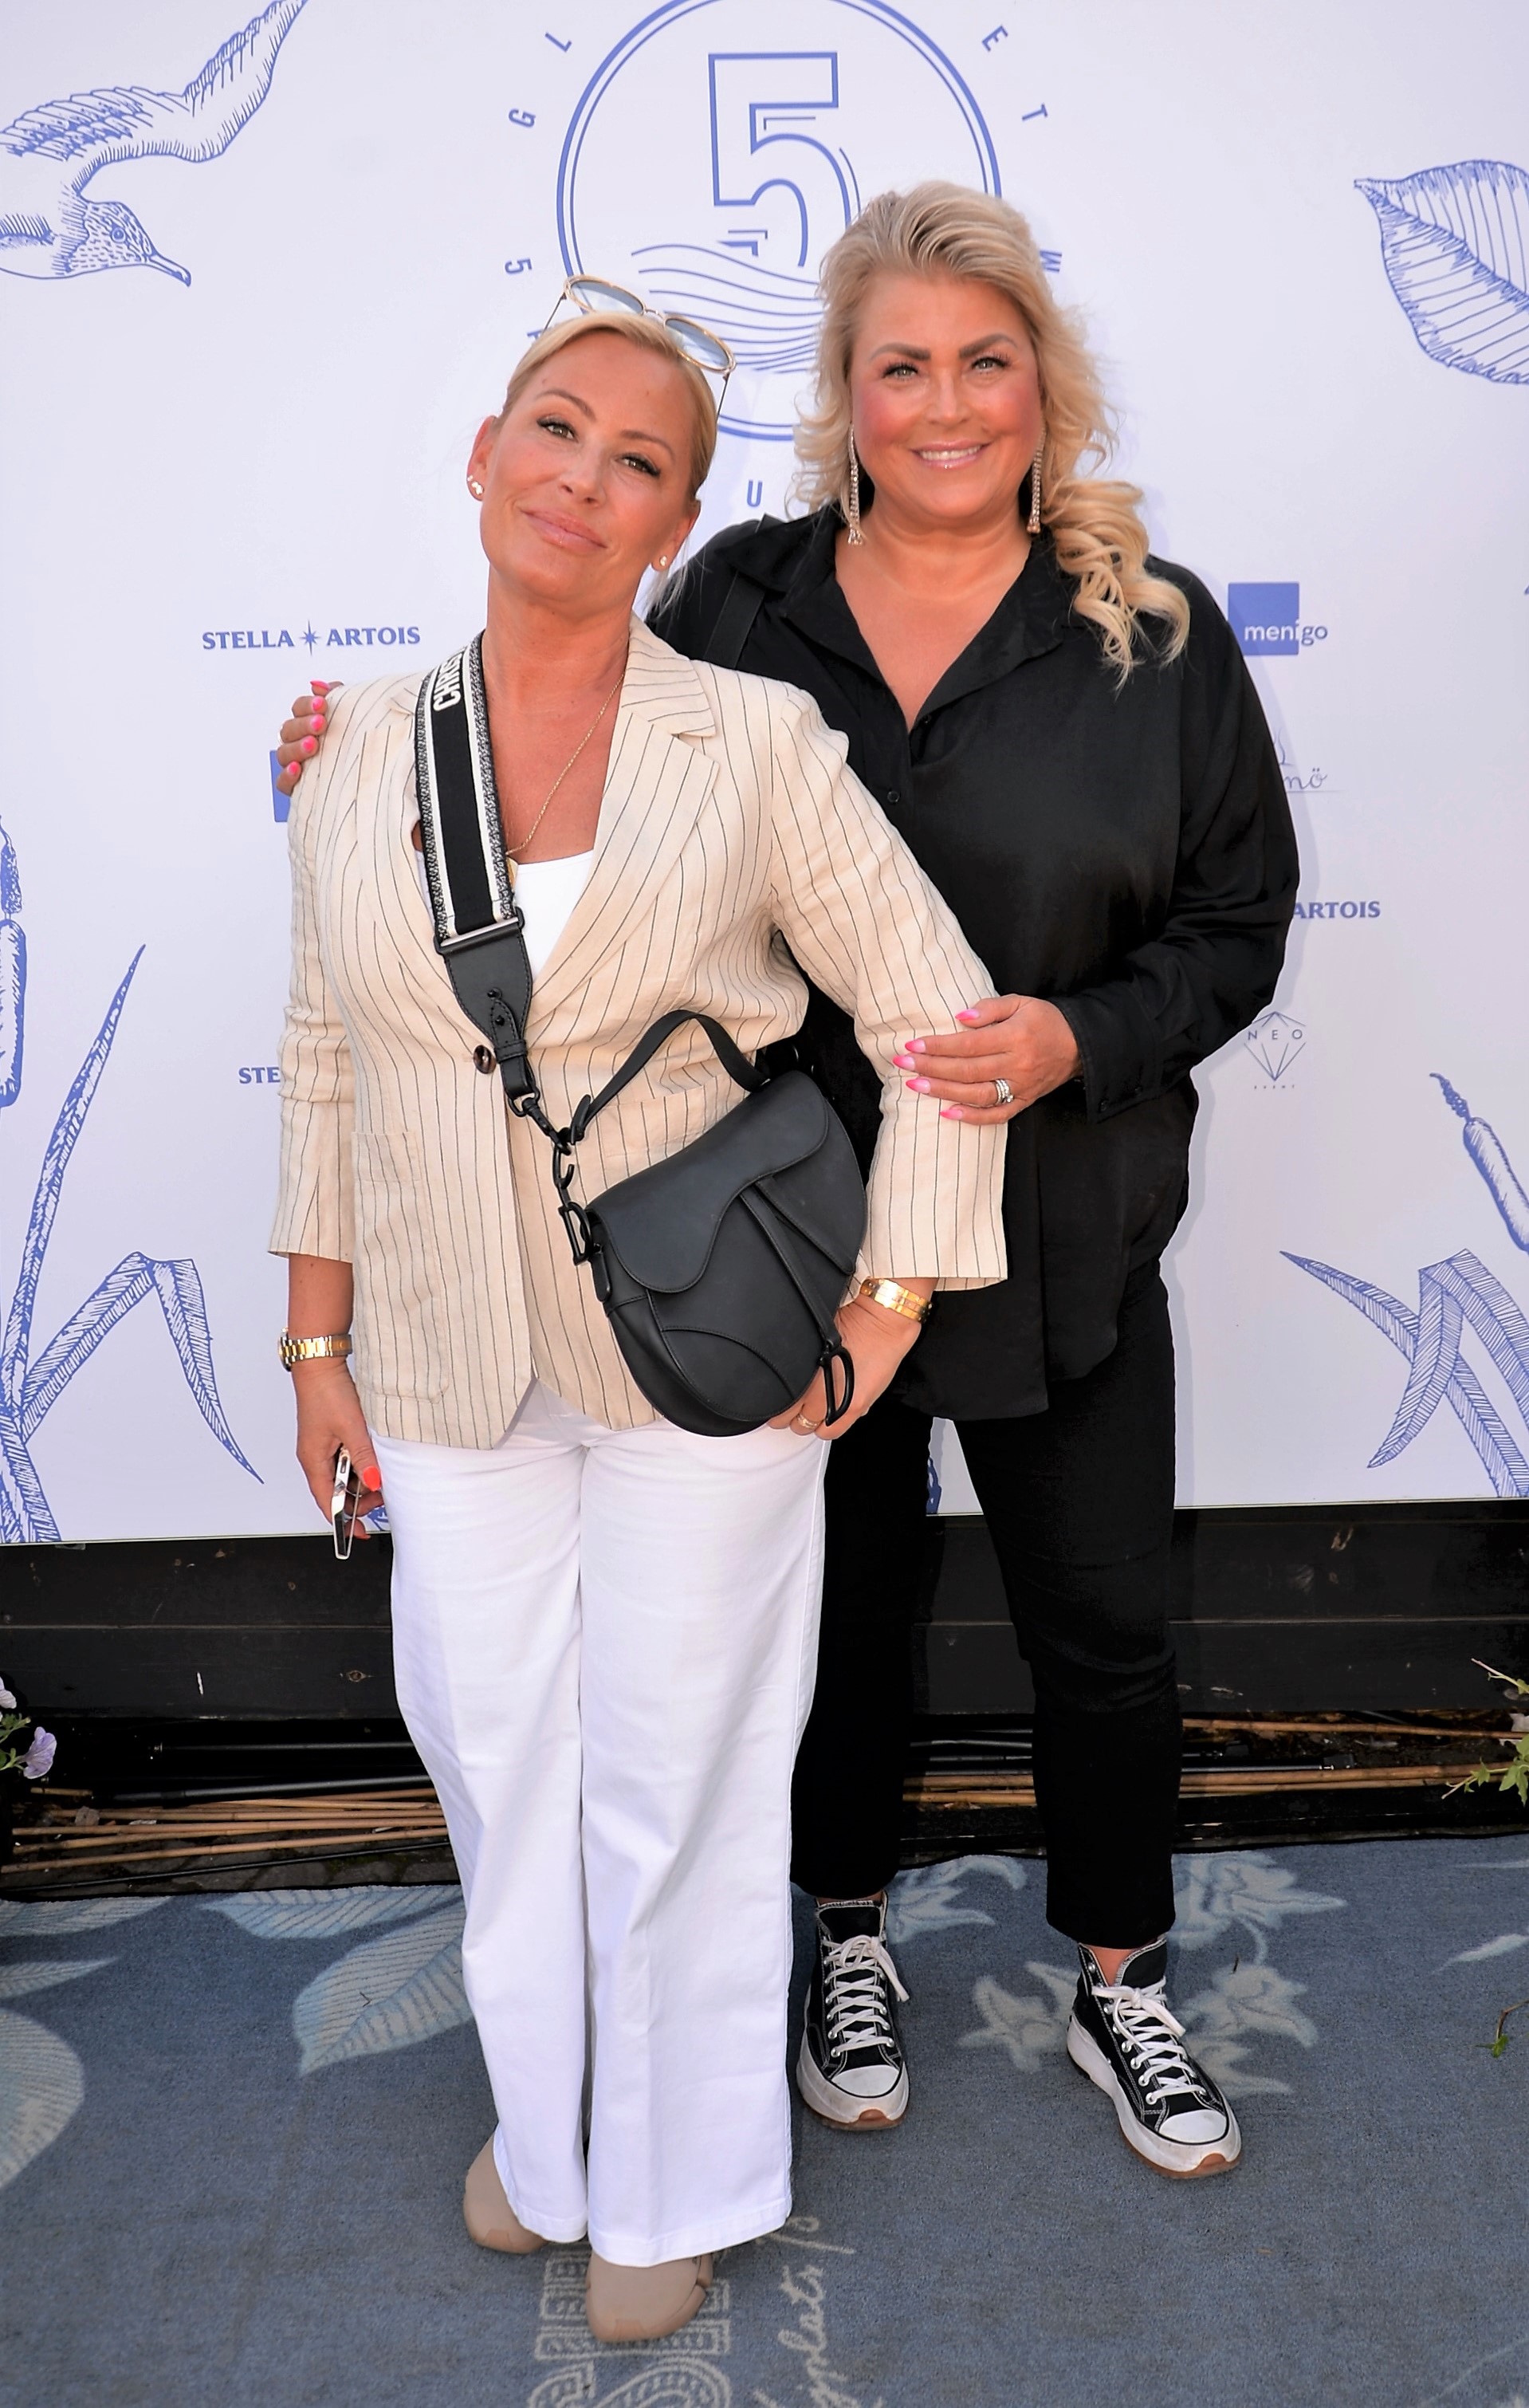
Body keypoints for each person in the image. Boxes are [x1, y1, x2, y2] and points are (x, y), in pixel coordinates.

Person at [276, 183, 1298, 2182]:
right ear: (842, 397)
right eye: (898, 365)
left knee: (1102, 1623)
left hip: (1058, 1220)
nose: (944, 402)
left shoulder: (1152, 634)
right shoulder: (739, 595)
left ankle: (1119, 1976)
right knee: (821, 1635)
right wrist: (354, 769)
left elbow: (1238, 924)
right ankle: (845, 1941)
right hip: (759, 1238)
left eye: (982, 361)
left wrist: (1073, 1036)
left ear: (1040, 384)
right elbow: (564, 757)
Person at [269, 297, 1005, 2343]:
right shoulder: (362, 750)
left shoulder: (748, 741)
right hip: (441, 1353)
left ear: (675, 522)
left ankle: (674, 2182)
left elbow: (935, 1009)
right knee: (499, 1765)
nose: (581, 480)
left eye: (638, 461)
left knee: (679, 1776)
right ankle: (551, 2140)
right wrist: (316, 1347)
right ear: (484, 452)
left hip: (708, 1346)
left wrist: (887, 1302)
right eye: (555, 428)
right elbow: (325, 1050)